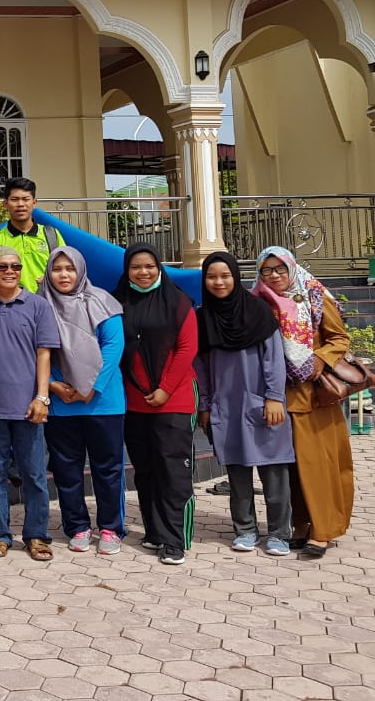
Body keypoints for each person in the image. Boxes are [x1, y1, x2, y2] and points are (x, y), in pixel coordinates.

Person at [253, 246, 354, 558]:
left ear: (291, 268)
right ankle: (299, 524)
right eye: (267, 270)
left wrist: (317, 361)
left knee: (318, 465)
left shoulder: (312, 295)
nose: (273, 275)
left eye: (279, 269)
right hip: (276, 396)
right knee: (290, 469)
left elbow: (340, 339)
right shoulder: (257, 300)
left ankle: (322, 530)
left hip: (313, 397)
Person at [196, 251, 294, 557]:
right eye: (212, 276)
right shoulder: (203, 317)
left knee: (274, 471)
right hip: (225, 405)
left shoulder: (258, 312)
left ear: (236, 276)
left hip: (263, 403)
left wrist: (274, 397)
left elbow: (273, 358)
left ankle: (279, 532)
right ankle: (246, 529)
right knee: (237, 474)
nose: (219, 282)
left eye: (225, 275)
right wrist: (205, 404)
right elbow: (200, 366)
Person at [37, 246, 126, 556]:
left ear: (80, 270)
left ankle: (111, 528)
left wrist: (93, 387)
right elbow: (33, 350)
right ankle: (76, 526)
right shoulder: (40, 304)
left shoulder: (101, 301)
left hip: (103, 402)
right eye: (57, 269)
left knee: (108, 469)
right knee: (66, 470)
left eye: (69, 269)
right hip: (62, 403)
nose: (63, 275)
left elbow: (114, 346)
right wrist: (52, 385)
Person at [113, 242, 198, 566]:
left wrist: (165, 388)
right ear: (127, 270)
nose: (143, 272)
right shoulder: (118, 302)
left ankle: (175, 539)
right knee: (146, 471)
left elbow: (186, 348)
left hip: (172, 400)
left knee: (172, 471)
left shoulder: (178, 302)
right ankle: (154, 531)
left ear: (159, 267)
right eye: (136, 267)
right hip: (134, 403)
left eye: (149, 266)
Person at [0, 245, 60, 561]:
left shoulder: (37, 306)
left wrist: (42, 396)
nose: (10, 272)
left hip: (28, 405)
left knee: (34, 473)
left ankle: (37, 535)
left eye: (15, 266)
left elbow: (44, 353)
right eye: (2, 267)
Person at [0, 178, 63, 292]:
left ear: (34, 203)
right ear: (5, 204)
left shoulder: (51, 235)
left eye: (25, 199)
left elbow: (64, 268)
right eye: (14, 199)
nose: (20, 204)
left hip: (48, 301)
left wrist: (50, 279)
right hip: (11, 304)